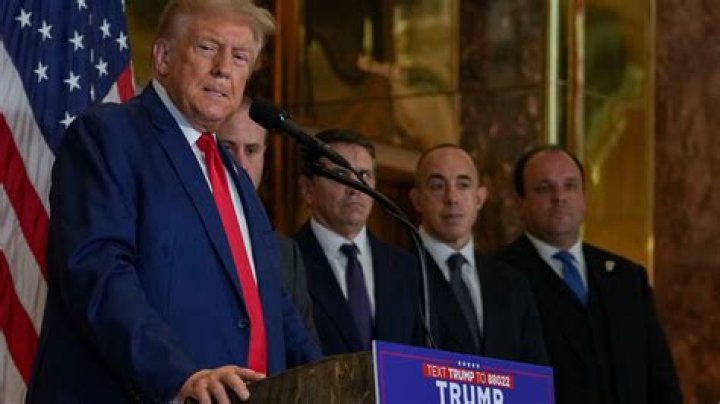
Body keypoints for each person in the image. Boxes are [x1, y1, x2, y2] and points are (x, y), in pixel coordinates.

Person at [26, 1, 321, 403]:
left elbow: (273, 303)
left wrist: (333, 381)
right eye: (207, 47)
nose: (224, 68)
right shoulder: (110, 135)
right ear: (163, 57)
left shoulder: (234, 177)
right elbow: (97, 272)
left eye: (240, 57)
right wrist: (179, 375)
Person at [494, 145, 682, 403]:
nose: (559, 197)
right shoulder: (496, 277)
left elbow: (661, 379)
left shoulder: (628, 278)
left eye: (570, 186)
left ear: (584, 197)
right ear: (520, 203)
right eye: (544, 188)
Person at [408, 144, 548, 365]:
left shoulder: (512, 283)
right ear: (417, 200)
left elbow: (534, 373)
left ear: (480, 198)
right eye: (437, 186)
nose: (452, 198)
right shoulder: (396, 273)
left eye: (463, 185)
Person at [293, 129, 423, 355]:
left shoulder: (404, 266)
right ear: (308, 189)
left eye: (364, 175)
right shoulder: (286, 262)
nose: (355, 188)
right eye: (340, 174)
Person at [218, 97, 319, 342]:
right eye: (228, 148)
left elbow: (304, 347)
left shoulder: (286, 252)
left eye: (251, 150)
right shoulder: (182, 231)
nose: (241, 164)